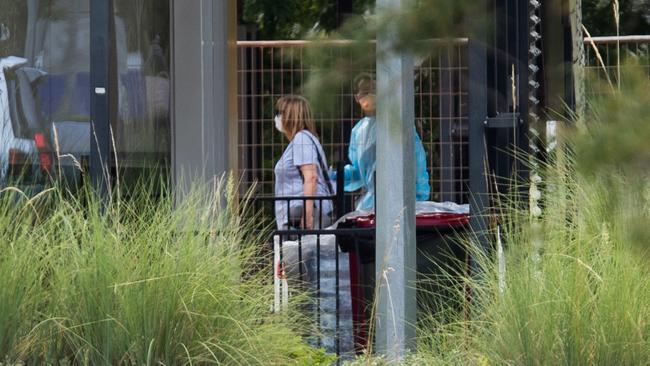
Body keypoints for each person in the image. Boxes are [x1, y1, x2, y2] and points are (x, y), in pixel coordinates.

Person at [341, 73, 430, 211]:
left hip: (400, 200)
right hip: (371, 206)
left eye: (374, 90)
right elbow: (357, 172)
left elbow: (416, 160)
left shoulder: (397, 123)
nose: (370, 95)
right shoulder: (358, 131)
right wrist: (334, 177)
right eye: (365, 92)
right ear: (357, 98)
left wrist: (418, 198)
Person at [274, 95, 334, 230]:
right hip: (297, 214)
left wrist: (308, 216)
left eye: (280, 113)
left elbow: (311, 177)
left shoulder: (302, 140)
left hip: (300, 216)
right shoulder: (304, 139)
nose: (277, 118)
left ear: (290, 116)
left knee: (303, 251)